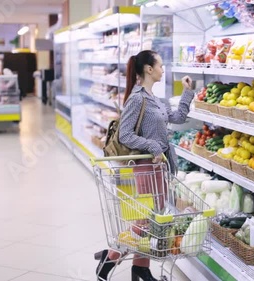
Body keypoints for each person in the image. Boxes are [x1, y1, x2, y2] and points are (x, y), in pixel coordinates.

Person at [95, 50, 194, 281]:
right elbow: (125, 135)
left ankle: (140, 268)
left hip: (160, 167)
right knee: (145, 219)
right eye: (160, 65)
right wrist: (153, 146)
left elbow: (178, 117)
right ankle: (109, 260)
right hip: (146, 168)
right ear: (149, 69)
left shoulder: (154, 98)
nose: (162, 69)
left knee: (152, 220)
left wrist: (187, 92)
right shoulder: (137, 98)